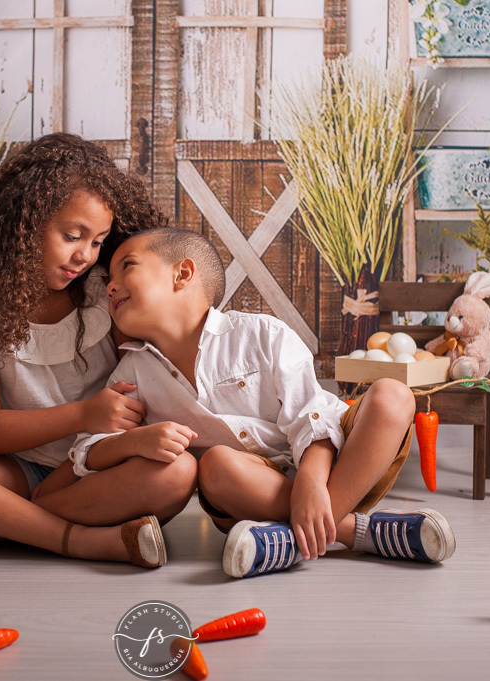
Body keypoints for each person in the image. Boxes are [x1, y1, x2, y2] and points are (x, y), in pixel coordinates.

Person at [0, 134, 197, 569]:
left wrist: (112, 431)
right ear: (22, 225)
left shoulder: (107, 292)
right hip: (14, 471)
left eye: (98, 241)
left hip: (99, 468)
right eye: (72, 235)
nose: (85, 255)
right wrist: (82, 414)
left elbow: (146, 381)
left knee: (177, 475)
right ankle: (76, 540)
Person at [69, 227, 456, 578]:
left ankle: (289, 541)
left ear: (182, 274)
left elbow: (312, 418)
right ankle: (355, 533)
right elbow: (86, 451)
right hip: (249, 494)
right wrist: (132, 441)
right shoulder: (133, 370)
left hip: (342, 464)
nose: (110, 286)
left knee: (393, 394)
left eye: (126, 268)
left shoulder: (261, 333)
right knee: (214, 465)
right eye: (108, 280)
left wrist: (311, 479)